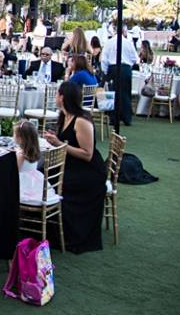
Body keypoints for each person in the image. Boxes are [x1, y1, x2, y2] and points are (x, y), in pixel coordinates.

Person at [42, 81, 106, 253]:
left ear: (62, 97)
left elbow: (87, 154)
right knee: (41, 174)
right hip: (71, 164)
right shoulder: (64, 115)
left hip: (88, 171)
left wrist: (59, 143)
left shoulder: (81, 120)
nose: (55, 97)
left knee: (53, 182)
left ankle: (66, 232)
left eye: (57, 94)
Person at [101, 28, 138, 127]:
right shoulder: (128, 43)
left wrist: (105, 71)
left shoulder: (109, 43)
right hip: (126, 68)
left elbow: (104, 59)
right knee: (125, 93)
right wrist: (129, 65)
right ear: (124, 32)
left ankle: (113, 117)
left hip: (113, 68)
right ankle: (127, 118)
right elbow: (135, 58)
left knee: (112, 93)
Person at [14, 120, 44, 204]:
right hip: (34, 183)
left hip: (23, 184)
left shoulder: (21, 154)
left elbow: (16, 172)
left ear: (20, 139)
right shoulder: (33, 150)